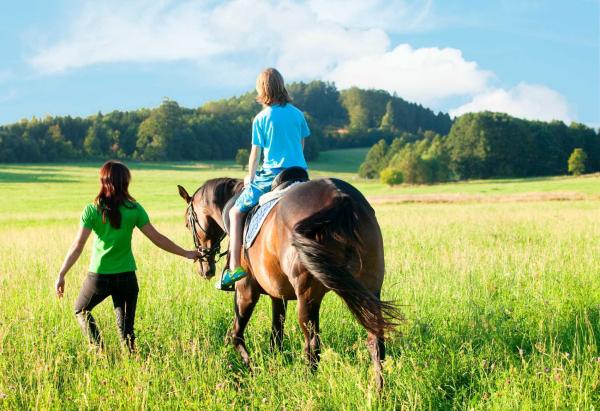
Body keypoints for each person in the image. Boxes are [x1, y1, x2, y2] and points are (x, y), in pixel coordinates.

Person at [55, 160, 199, 352]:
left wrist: (62, 273)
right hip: (127, 278)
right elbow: (157, 238)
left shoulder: (92, 209)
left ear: (103, 181)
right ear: (125, 183)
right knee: (127, 334)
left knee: (81, 310)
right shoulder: (134, 209)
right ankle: (130, 360)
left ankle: (99, 351)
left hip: (99, 277)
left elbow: (77, 245)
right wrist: (186, 253)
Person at [217, 68, 310, 290]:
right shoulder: (298, 114)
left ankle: (234, 268)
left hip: (272, 176)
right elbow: (301, 145)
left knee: (235, 212)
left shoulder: (261, 118)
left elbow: (255, 154)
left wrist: (249, 177)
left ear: (262, 90)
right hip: (300, 174)